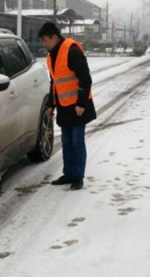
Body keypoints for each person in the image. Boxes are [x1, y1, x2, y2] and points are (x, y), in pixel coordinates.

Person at [38, 22, 96, 190]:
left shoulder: (72, 51)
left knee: (77, 142)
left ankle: (78, 176)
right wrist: (51, 105)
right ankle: (69, 173)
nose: (44, 44)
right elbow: (55, 83)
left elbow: (86, 79)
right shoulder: (51, 57)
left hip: (78, 107)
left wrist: (81, 103)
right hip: (64, 107)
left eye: (45, 40)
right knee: (66, 142)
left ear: (54, 37)